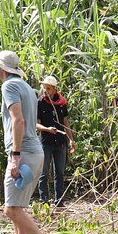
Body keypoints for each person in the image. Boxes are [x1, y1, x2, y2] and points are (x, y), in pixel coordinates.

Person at [0, 50, 44, 234]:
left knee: (10, 210)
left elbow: (18, 121)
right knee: (17, 209)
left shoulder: (9, 86)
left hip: (24, 152)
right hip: (35, 151)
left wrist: (15, 156)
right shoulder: (26, 86)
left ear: (2, 69)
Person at [36, 75, 76, 206]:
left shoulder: (61, 104)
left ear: (54, 89)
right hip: (45, 142)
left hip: (60, 142)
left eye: (48, 88)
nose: (45, 91)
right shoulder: (40, 102)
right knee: (44, 173)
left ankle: (59, 201)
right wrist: (47, 129)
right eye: (44, 88)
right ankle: (44, 201)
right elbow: (36, 124)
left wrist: (70, 140)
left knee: (59, 173)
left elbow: (65, 122)